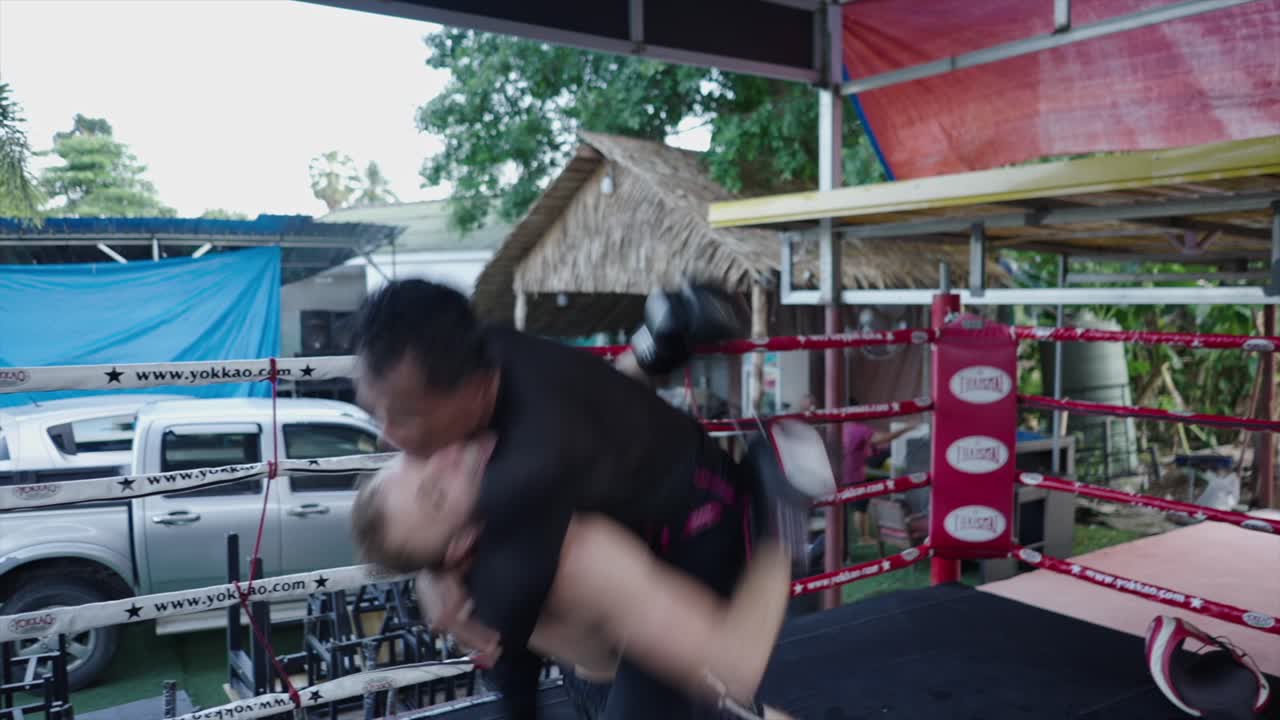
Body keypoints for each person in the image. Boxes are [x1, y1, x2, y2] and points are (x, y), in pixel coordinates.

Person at [351, 279, 831, 720]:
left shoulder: (522, 480)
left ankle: (779, 511)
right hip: (627, 486)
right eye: (376, 413)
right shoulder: (483, 349)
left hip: (700, 521)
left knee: (716, 682)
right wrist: (435, 569)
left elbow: (501, 635)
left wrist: (440, 578)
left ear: (472, 393)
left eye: (405, 417)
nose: (389, 437)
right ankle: (657, 343)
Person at [352, 436, 798, 718]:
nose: (444, 459)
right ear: (457, 546)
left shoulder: (492, 467)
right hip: (607, 656)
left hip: (645, 616)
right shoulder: (530, 560)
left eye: (420, 456)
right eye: (434, 492)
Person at [841, 397, 916, 544]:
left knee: (855, 507)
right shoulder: (858, 429)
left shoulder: (841, 427)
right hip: (853, 476)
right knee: (860, 508)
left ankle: (858, 538)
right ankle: (863, 538)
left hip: (841, 474)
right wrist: (907, 427)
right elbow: (884, 438)